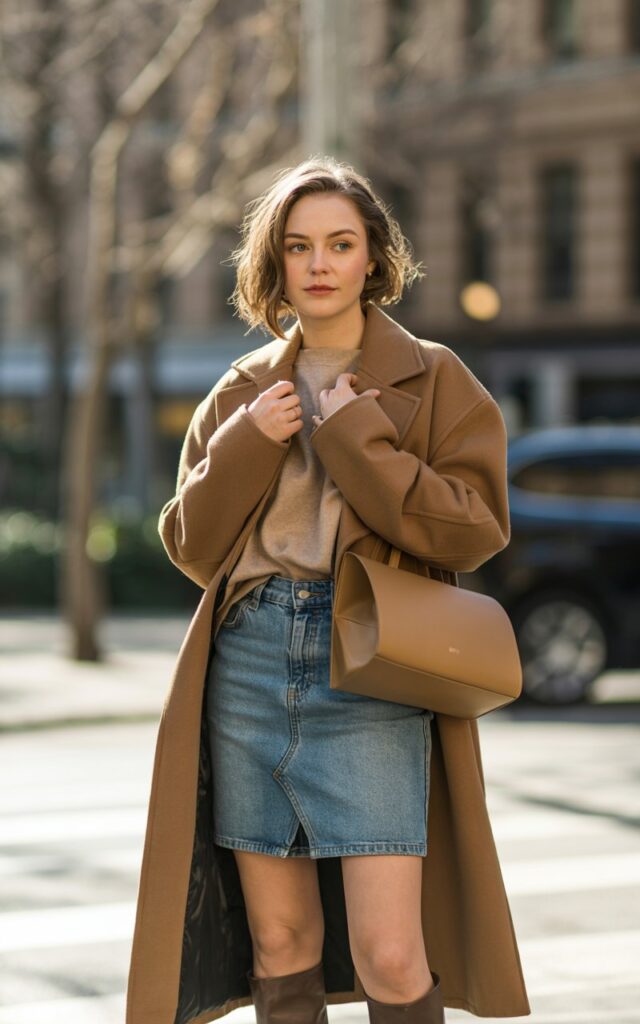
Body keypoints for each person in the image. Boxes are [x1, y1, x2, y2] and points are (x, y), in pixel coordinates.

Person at [126, 156, 530, 1024]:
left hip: (374, 668)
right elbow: (193, 547)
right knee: (281, 947)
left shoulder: (435, 377)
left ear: (373, 259)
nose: (319, 264)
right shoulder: (241, 390)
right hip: (249, 664)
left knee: (392, 955)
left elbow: (473, 527)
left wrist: (357, 438)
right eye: (299, 246)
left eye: (340, 244)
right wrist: (244, 445)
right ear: (273, 266)